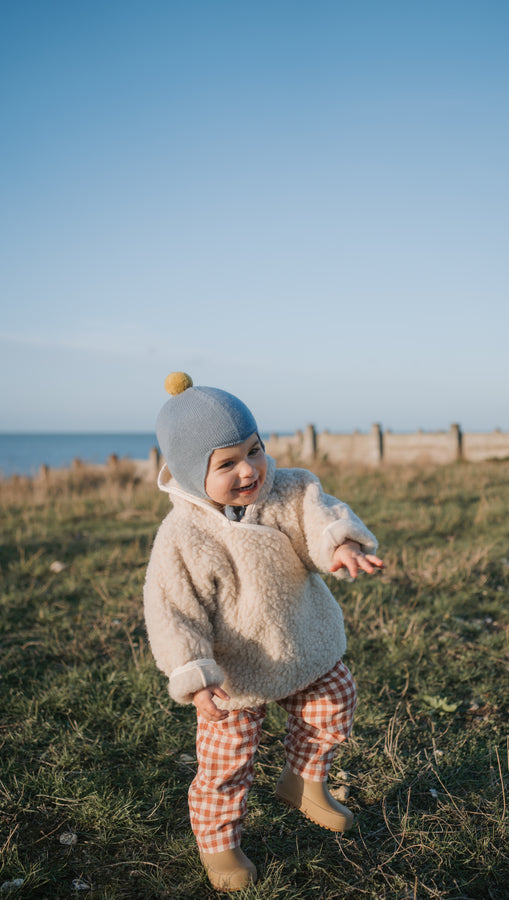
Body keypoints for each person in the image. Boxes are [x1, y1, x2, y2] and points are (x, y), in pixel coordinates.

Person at [143, 372, 383, 892]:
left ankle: (303, 780)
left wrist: (339, 545)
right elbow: (172, 611)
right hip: (234, 671)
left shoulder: (289, 489)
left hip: (300, 642)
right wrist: (194, 672)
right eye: (226, 463)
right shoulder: (183, 535)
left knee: (335, 698)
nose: (249, 469)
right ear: (188, 473)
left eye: (253, 450)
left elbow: (319, 519)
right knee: (228, 761)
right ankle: (219, 841)